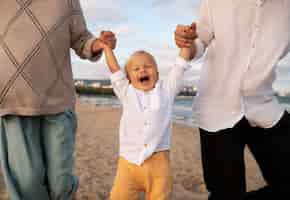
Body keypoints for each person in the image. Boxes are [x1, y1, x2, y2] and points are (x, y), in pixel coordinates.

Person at [175, 0, 290, 200]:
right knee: (226, 193)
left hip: (264, 104)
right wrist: (188, 42)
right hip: (217, 108)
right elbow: (199, 42)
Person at [0, 1, 115, 199]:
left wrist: (99, 44)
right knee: (27, 185)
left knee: (61, 183)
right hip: (12, 103)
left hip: (58, 102)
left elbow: (81, 39)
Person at [98, 28, 196, 200]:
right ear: (128, 77)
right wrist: (107, 48)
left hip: (159, 163)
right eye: (136, 69)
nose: (142, 70)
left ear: (157, 73)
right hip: (128, 163)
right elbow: (114, 69)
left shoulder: (166, 90)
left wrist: (187, 42)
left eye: (148, 66)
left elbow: (180, 66)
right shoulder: (126, 91)